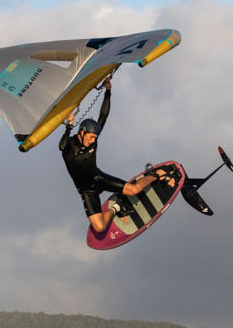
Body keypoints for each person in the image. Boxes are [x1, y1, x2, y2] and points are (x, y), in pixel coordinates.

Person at [60, 77, 165, 235]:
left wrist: (108, 91)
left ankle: (153, 175)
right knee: (100, 227)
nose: (93, 140)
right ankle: (117, 208)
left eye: (95, 138)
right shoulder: (69, 146)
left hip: (98, 178)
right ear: (81, 132)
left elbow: (103, 116)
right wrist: (68, 127)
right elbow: (61, 146)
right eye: (90, 137)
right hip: (87, 191)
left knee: (134, 190)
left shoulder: (93, 139)